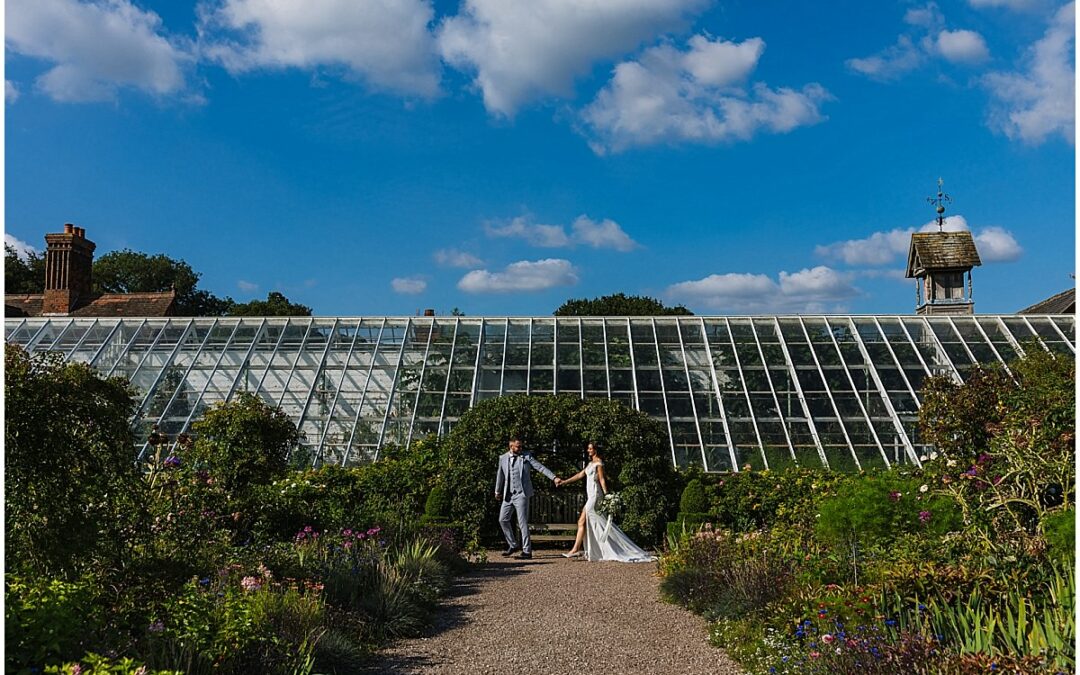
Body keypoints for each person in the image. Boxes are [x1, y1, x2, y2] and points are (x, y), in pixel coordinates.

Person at [558, 442, 654, 562]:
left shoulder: (598, 463)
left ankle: (575, 549)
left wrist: (607, 495)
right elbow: (579, 475)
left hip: (596, 495)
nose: (588, 451)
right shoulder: (590, 464)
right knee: (590, 522)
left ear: (596, 450)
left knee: (581, 520)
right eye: (588, 449)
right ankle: (586, 549)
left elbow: (602, 479)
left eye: (590, 449)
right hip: (591, 496)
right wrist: (564, 482)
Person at [494, 436, 559, 559]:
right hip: (508, 495)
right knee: (502, 519)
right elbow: (500, 475)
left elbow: (540, 467)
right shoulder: (502, 458)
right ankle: (513, 544)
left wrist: (554, 477)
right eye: (518, 446)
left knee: (522, 522)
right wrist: (497, 491)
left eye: (521, 446)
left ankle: (527, 551)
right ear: (511, 446)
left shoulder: (526, 456)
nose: (520, 448)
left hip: (521, 494)